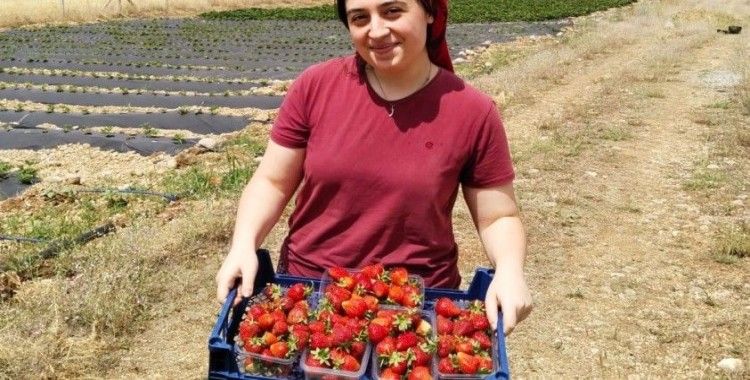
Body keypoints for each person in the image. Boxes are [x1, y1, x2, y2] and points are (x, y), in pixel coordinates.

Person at [216, 0, 532, 335]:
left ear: (429, 12)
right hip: (309, 294)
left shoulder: (472, 111)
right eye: (360, 18)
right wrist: (243, 243)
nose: (377, 31)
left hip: (416, 306)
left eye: (392, 11)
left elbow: (498, 216)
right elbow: (272, 181)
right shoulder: (316, 86)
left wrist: (510, 270)